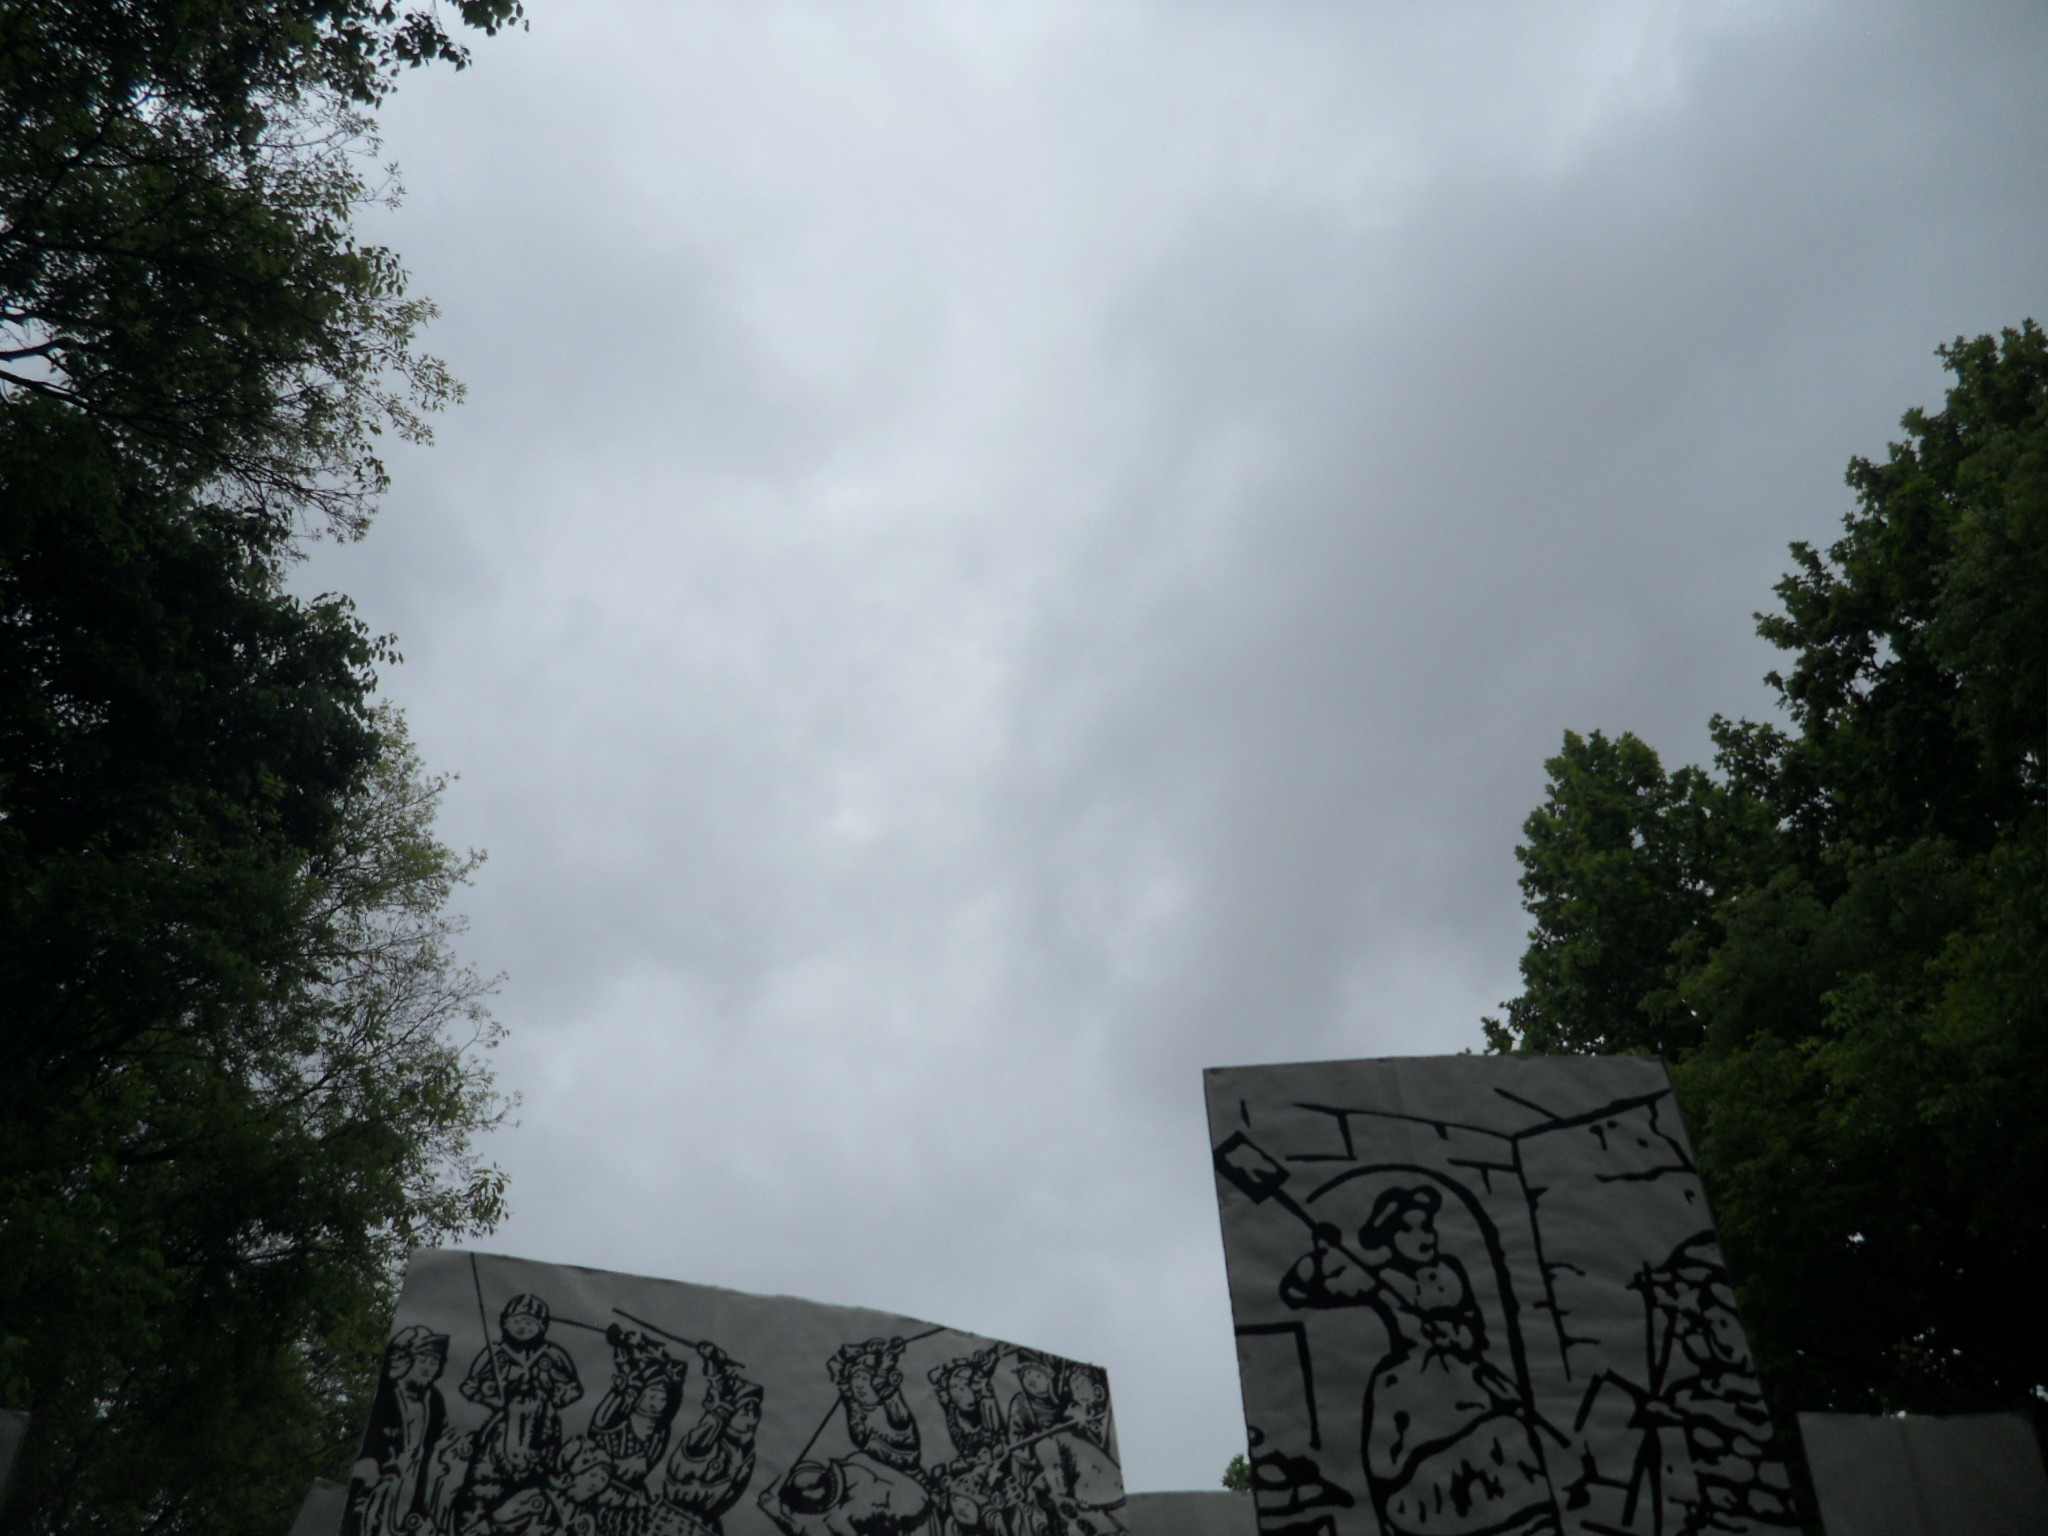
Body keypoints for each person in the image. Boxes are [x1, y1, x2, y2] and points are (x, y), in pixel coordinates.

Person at [1282, 1184, 1557, 1536]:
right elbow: (1301, 1292)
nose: (1423, 1236)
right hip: (1410, 1383)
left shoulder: (1451, 1271)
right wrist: (1320, 1257)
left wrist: (1459, 1336)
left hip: (1464, 1375)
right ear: (1390, 1237)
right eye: (1408, 1229)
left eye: (1426, 1226)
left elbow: (1475, 1325)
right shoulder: (1382, 1279)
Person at [457, 1294, 585, 1534]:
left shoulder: (552, 1354)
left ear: (541, 1326)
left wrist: (552, 1396)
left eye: (529, 1323)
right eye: (518, 1321)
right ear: (506, 1323)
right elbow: (470, 1386)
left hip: (541, 1429)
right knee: (485, 1482)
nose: (523, 1328)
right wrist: (492, 1393)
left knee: (537, 1483)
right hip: (502, 1427)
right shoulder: (495, 1353)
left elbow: (573, 1388)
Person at [348, 1325, 452, 1536]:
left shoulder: (434, 1401)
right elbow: (369, 1449)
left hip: (413, 1487)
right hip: (379, 1486)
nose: (428, 1367)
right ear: (405, 1361)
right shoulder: (386, 1397)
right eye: (423, 1360)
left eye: (434, 1361)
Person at [651, 1347, 764, 1536]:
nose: (752, 1419)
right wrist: (714, 1368)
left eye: (755, 1412)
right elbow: (713, 1416)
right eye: (746, 1410)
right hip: (674, 1521)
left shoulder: (744, 1453)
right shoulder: (708, 1439)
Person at [756, 1454, 931, 1536]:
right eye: (885, 1500)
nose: (879, 1507)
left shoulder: (843, 1522)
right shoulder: (860, 1467)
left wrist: (778, 1515)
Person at [827, 1340, 921, 1475]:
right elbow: (837, 1367)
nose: (859, 1386)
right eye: (856, 1377)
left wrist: (883, 1370)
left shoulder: (892, 1404)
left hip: (907, 1475)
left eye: (865, 1378)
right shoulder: (856, 1409)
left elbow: (900, 1420)